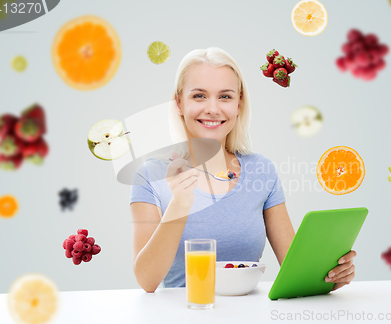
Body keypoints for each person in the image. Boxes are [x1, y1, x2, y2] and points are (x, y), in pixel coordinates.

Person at [130, 47, 356, 293]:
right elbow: (146, 280)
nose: (213, 109)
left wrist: (331, 276)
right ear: (179, 104)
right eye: (199, 96)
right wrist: (180, 205)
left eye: (225, 97)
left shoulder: (261, 170)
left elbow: (296, 269)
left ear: (239, 104)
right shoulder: (150, 175)